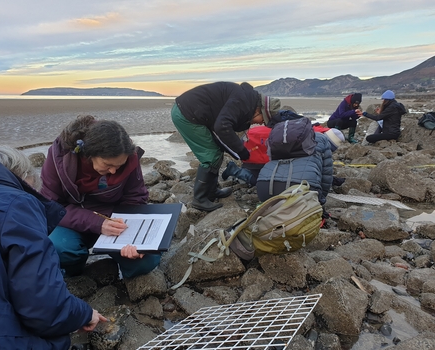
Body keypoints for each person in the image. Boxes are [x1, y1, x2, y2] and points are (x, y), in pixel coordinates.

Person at [0, 146, 106, 349]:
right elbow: (42, 307)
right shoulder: (18, 202)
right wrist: (84, 314)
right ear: (25, 179)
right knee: (57, 339)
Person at [40, 115, 161, 278]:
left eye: (119, 166)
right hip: (71, 220)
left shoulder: (127, 156)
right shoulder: (59, 157)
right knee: (58, 247)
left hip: (115, 220)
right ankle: (77, 275)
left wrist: (135, 239)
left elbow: (135, 198)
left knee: (146, 259)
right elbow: (51, 206)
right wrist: (97, 223)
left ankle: (125, 279)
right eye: (108, 165)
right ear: (89, 153)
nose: (113, 171)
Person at [171, 81, 281, 211]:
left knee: (217, 151)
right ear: (259, 110)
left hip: (195, 113)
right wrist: (241, 151)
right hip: (186, 114)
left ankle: (211, 192)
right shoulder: (242, 101)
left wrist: (234, 148)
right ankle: (200, 199)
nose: (262, 123)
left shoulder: (246, 100)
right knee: (211, 156)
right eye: (263, 119)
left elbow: (223, 127)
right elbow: (222, 126)